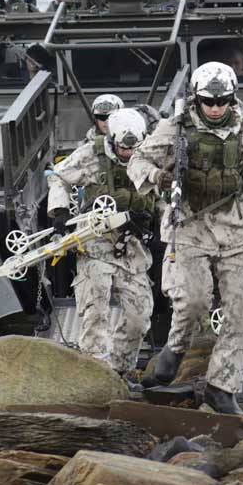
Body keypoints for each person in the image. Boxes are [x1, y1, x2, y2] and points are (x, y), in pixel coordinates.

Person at [128, 62, 243, 414]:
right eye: (208, 101)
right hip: (190, 222)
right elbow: (137, 161)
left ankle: (223, 388)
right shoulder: (174, 128)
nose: (215, 108)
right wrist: (158, 176)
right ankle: (175, 348)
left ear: (232, 99)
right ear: (197, 98)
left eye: (222, 101)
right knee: (194, 302)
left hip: (237, 225)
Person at [47, 109, 156, 380]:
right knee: (96, 313)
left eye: (134, 148)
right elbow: (58, 176)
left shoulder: (150, 156)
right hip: (95, 245)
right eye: (123, 148)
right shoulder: (91, 156)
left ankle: (121, 371)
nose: (128, 154)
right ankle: (96, 374)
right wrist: (60, 210)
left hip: (132, 249)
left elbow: (164, 193)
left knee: (138, 318)